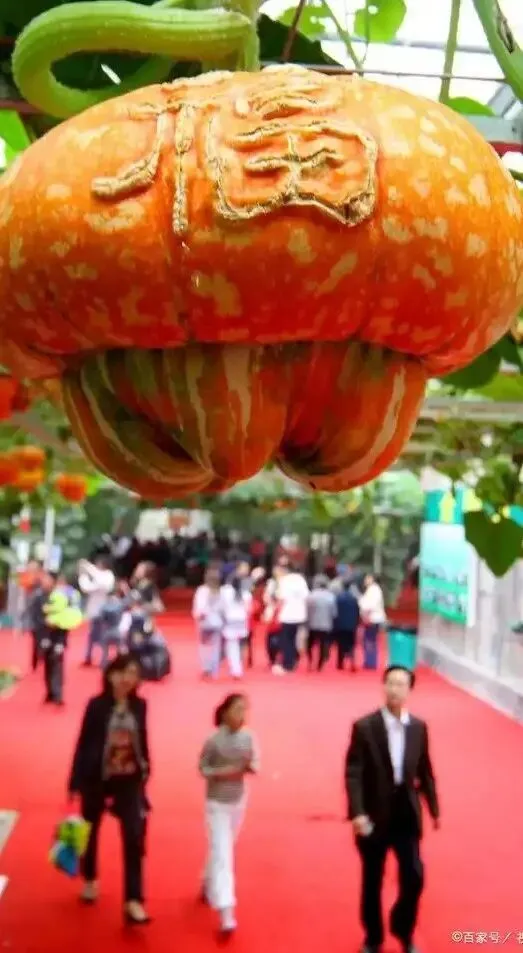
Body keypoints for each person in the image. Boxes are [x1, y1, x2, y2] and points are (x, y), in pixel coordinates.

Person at [345, 666, 440, 953]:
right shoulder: (365, 727)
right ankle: (373, 937)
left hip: (406, 813)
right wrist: (357, 812)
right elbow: (353, 773)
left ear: (409, 690)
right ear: (383, 686)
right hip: (374, 813)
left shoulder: (418, 728)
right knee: (372, 878)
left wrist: (433, 807)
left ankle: (403, 927)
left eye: (400, 684)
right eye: (390, 683)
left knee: (414, 876)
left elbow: (425, 769)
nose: (394, 689)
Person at [68, 654, 151, 924]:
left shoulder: (140, 706)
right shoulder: (97, 706)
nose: (128, 679)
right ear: (111, 675)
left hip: (129, 780)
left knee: (134, 837)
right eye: (123, 672)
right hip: (97, 778)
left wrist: (146, 772)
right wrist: (74, 781)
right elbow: (83, 743)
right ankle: (90, 877)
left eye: (134, 674)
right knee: (90, 830)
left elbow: (143, 740)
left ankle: (133, 899)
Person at [198, 693, 259, 936]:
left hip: (238, 800)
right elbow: (203, 768)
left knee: (222, 846)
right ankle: (226, 911)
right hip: (216, 803)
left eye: (244, 710)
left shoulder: (249, 737)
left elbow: (256, 763)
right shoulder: (213, 741)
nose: (241, 715)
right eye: (237, 710)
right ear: (225, 713)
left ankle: (206, 881)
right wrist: (224, 771)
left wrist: (248, 767)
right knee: (224, 854)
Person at [40, 573, 83, 705]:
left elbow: (64, 612)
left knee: (56, 663)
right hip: (48, 633)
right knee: (49, 664)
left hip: (58, 633)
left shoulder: (62, 594)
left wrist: (48, 610)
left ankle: (57, 693)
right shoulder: (44, 594)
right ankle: (51, 692)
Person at [79, 557, 116, 667]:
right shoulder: (99, 577)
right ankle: (88, 657)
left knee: (103, 636)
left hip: (104, 611)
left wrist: (87, 566)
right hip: (95, 610)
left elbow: (100, 581)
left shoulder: (108, 576)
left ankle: (104, 659)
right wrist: (83, 575)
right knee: (92, 636)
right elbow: (86, 588)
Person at [275, 561, 309, 674]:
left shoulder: (284, 580)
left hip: (287, 614)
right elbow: (306, 596)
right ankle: (293, 660)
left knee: (286, 640)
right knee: (294, 638)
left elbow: (280, 597)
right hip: (299, 614)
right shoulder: (301, 580)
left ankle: (288, 664)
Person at [192, 568, 224, 679]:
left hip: (205, 621)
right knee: (216, 647)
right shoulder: (221, 591)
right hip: (217, 622)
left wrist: (198, 616)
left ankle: (206, 667)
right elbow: (223, 608)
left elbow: (199, 606)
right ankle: (214, 671)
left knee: (204, 646)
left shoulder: (202, 590)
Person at [220, 577, 252, 680]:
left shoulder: (225, 592)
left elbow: (222, 606)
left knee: (232, 646)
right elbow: (249, 609)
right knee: (240, 645)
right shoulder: (246, 593)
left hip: (230, 621)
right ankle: (237, 667)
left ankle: (236, 669)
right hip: (242, 621)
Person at [306, 575, 337, 671]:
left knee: (309, 644)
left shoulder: (311, 595)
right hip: (326, 624)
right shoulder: (331, 597)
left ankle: (310, 660)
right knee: (323, 644)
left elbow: (308, 610)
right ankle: (320, 664)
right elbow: (334, 613)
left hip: (312, 624)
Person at [359, 574, 386, 670]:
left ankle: (371, 662)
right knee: (368, 640)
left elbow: (369, 605)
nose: (366, 580)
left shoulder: (374, 590)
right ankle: (369, 661)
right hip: (370, 618)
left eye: (368, 578)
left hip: (373, 619)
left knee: (370, 641)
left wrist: (364, 611)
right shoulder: (371, 590)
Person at [335, 579, 361, 671]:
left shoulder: (338, 598)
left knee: (341, 644)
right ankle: (352, 662)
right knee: (351, 644)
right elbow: (357, 612)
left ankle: (340, 663)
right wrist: (356, 623)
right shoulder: (354, 599)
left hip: (340, 625)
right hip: (351, 625)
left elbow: (335, 612)